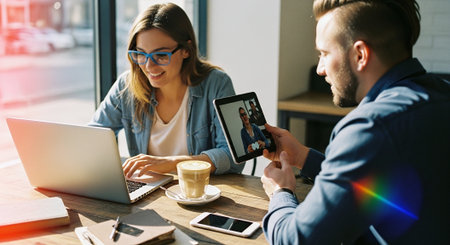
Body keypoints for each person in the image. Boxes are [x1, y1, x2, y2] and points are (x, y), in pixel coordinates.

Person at [261, 0, 450, 244]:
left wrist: (281, 192)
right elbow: (375, 184)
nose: (320, 68)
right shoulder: (440, 95)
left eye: (324, 53)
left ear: (360, 55)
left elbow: (297, 239)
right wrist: (304, 157)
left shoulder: (370, 128)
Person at [89, 3, 244, 177]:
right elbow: (93, 137)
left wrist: (171, 163)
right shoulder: (127, 86)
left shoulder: (217, 83)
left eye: (161, 55)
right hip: (149, 195)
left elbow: (234, 157)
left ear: (186, 50)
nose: (149, 66)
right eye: (141, 54)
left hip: (200, 194)